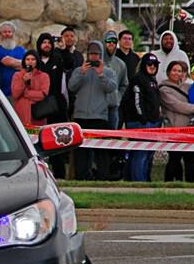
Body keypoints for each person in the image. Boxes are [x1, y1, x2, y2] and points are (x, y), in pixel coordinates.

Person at [68, 40, 116, 180]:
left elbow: (111, 88)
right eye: (91, 54)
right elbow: (71, 87)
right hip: (81, 116)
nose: (93, 57)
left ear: (100, 55)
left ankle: (103, 177)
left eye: (96, 54)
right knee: (81, 152)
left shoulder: (108, 71)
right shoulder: (79, 70)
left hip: (99, 117)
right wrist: (81, 73)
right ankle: (81, 177)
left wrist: (101, 75)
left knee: (101, 151)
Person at [159, 61, 194, 182]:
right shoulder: (164, 89)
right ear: (168, 72)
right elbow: (178, 106)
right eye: (174, 70)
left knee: (190, 159)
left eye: (179, 71)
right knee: (174, 159)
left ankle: (190, 184)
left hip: (190, 129)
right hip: (174, 129)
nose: (177, 73)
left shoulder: (188, 87)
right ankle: (170, 184)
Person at [121, 53, 163, 182]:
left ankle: (139, 179)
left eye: (155, 65)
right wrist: (142, 118)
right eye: (149, 64)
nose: (152, 67)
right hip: (141, 123)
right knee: (140, 154)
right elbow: (136, 101)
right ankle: (138, 181)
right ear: (144, 65)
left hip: (153, 122)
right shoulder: (138, 79)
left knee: (146, 154)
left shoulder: (152, 80)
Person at [36, 32, 69, 178]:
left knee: (56, 142)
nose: (47, 45)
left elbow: (69, 64)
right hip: (38, 107)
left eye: (49, 42)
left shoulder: (58, 58)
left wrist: (63, 49)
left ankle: (60, 174)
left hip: (56, 108)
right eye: (44, 42)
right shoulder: (35, 60)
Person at [11, 50, 50, 127]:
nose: (30, 62)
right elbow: (15, 94)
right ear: (24, 61)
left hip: (38, 115)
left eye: (33, 59)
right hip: (21, 114)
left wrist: (25, 93)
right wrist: (23, 81)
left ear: (37, 61)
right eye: (27, 59)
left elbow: (42, 94)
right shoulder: (17, 75)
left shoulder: (44, 76)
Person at [102, 30, 128, 130]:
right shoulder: (97, 61)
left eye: (114, 41)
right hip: (97, 109)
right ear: (104, 42)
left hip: (113, 108)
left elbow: (124, 85)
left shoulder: (121, 64)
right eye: (109, 40)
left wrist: (118, 97)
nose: (111, 43)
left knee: (111, 139)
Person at [0, 22, 26, 99]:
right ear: (0, 34)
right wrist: (23, 63)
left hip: (21, 92)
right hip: (4, 92)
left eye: (9, 32)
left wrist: (23, 64)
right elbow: (10, 63)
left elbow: (29, 66)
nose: (7, 34)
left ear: (13, 33)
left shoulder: (21, 50)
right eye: (4, 32)